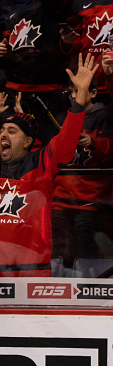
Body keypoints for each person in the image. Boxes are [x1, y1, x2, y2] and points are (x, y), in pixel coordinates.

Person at [0, 48, 98, 277]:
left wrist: (80, 99)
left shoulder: (42, 162)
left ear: (28, 141)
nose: (4, 134)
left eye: (12, 131)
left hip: (32, 272)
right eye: (3, 130)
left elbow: (67, 140)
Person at [0, 0, 72, 143]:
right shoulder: (12, 12)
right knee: (14, 150)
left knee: (55, 149)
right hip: (15, 92)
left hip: (50, 93)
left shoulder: (56, 6)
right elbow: (7, 54)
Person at [52, 77, 113, 267]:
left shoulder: (104, 116)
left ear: (93, 93)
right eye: (71, 92)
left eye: (78, 91)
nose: (73, 96)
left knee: (83, 228)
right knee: (56, 228)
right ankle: (62, 274)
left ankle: (88, 276)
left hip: (92, 192)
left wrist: (94, 143)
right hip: (63, 190)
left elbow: (110, 152)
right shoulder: (64, 117)